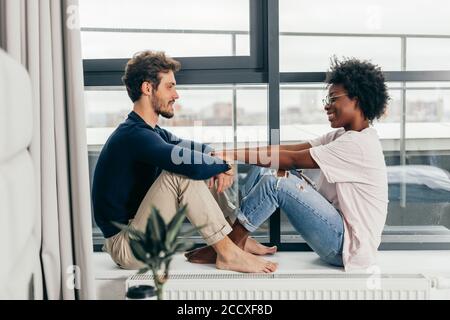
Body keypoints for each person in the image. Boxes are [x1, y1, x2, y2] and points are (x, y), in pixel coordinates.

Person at [186, 58, 390, 271]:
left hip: (345, 246)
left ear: (356, 100)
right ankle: (238, 241)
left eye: (333, 98)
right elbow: (286, 151)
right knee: (266, 165)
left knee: (277, 182)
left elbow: (291, 160)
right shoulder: (341, 136)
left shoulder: (358, 144)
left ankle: (226, 248)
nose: (327, 106)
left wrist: (229, 155)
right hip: (335, 228)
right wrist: (228, 153)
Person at [92, 50, 278, 273]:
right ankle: (228, 253)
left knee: (201, 163)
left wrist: (218, 158)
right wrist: (225, 165)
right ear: (148, 88)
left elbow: (193, 149)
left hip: (141, 235)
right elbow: (190, 165)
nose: (176, 94)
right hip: (128, 246)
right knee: (180, 173)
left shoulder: (152, 132)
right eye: (169, 86)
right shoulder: (133, 135)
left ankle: (234, 237)